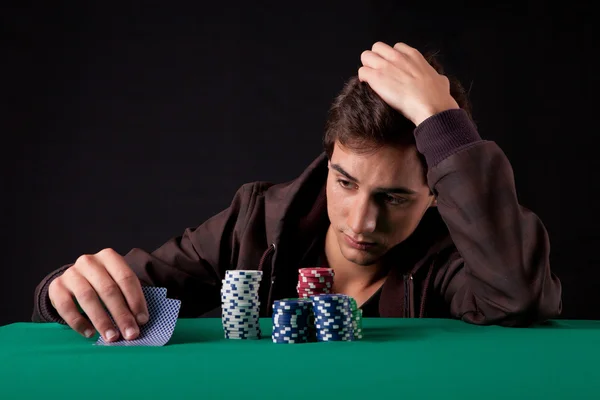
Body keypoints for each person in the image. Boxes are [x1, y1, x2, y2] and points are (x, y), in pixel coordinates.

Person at [32, 41, 562, 343]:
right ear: (329, 157)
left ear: (434, 195)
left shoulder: (455, 254)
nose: (361, 221)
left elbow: (517, 298)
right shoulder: (256, 221)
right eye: (345, 181)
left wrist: (441, 120)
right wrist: (66, 289)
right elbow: (126, 292)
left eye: (394, 197)